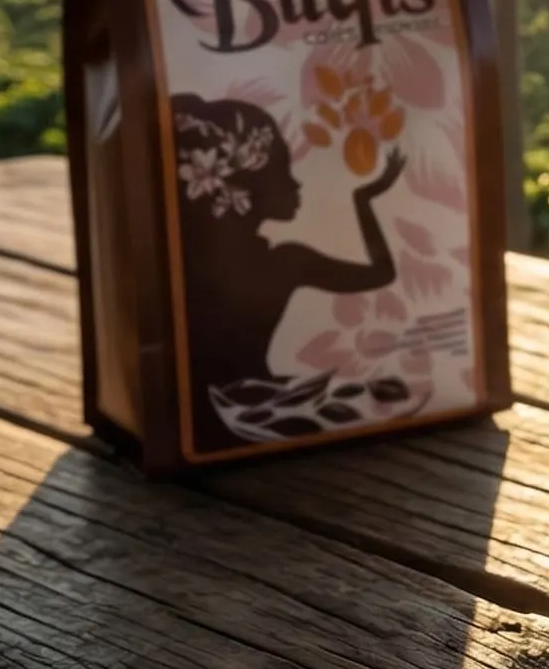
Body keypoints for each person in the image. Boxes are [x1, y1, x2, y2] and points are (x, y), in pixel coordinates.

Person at [167, 93, 404, 434]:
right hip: (252, 413)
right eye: (282, 170)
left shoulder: (183, 261)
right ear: (245, 188)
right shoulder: (285, 262)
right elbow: (381, 272)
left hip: (195, 416)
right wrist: (363, 200)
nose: (296, 182)